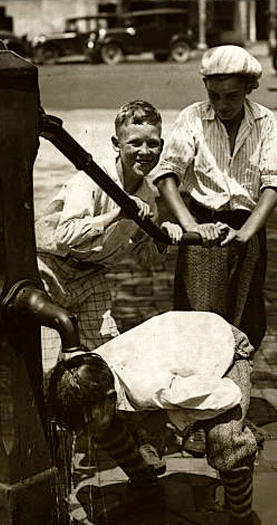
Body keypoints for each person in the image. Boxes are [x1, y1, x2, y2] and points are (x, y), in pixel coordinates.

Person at [48, 311, 259, 525]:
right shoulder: (90, 372)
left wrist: (185, 421)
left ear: (111, 396)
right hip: (181, 346)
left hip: (223, 350)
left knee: (225, 441)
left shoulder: (153, 387)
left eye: (85, 424)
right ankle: (147, 489)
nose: (82, 434)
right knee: (102, 424)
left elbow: (227, 395)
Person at [153, 45, 277, 353]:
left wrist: (246, 233)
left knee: (245, 322)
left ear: (249, 88)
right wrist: (191, 227)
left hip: (247, 226)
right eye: (214, 95)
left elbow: (273, 182)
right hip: (202, 227)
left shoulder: (264, 121)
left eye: (231, 96)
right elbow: (166, 174)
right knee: (198, 322)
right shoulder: (193, 118)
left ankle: (236, 392)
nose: (221, 104)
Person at [35, 100, 181, 351]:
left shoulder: (148, 197)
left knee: (106, 354)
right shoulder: (91, 180)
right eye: (134, 143)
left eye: (152, 144)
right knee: (47, 359)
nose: (144, 152)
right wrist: (115, 215)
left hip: (91, 276)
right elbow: (64, 235)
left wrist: (162, 238)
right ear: (117, 144)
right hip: (51, 269)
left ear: (161, 146)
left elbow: (145, 258)